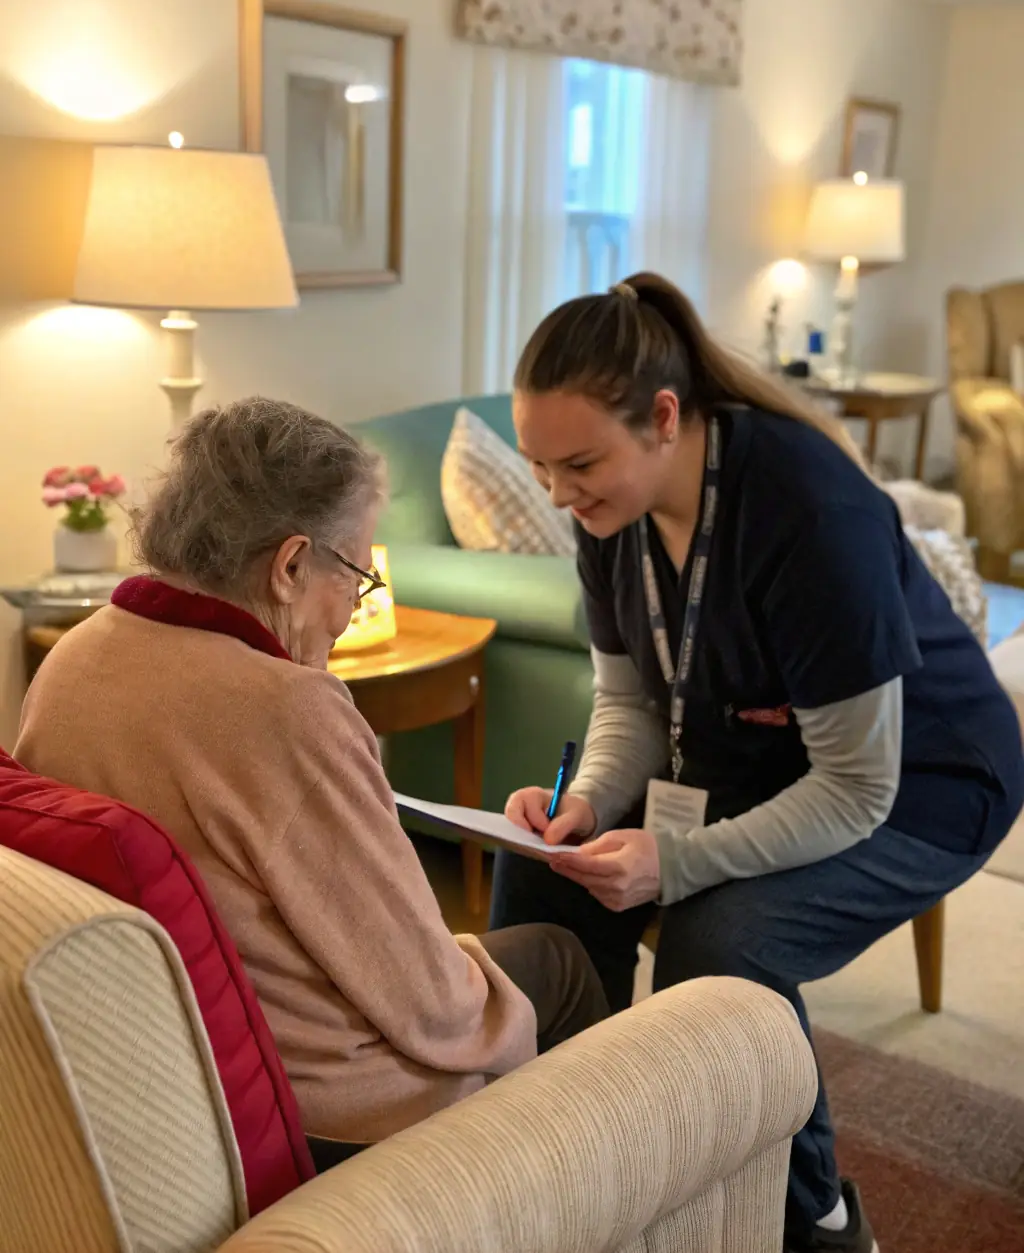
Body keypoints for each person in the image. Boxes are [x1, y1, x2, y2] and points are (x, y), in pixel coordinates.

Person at [489, 273, 1024, 1253]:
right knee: (543, 867)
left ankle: (818, 1223)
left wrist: (676, 861)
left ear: (663, 418)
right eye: (540, 468)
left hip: (925, 781)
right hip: (760, 761)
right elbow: (629, 703)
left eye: (579, 464)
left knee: (722, 942)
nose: (560, 494)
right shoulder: (607, 515)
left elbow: (856, 787)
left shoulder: (808, 510)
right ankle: (580, 1157)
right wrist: (590, 803)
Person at [17, 397, 607, 1161]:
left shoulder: (70, 657)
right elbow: (427, 997)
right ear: (291, 565)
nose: (351, 611)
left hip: (153, 1063)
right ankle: (574, 1189)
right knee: (557, 960)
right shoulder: (287, 708)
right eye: (357, 574)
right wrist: (478, 988)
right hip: (328, 1105)